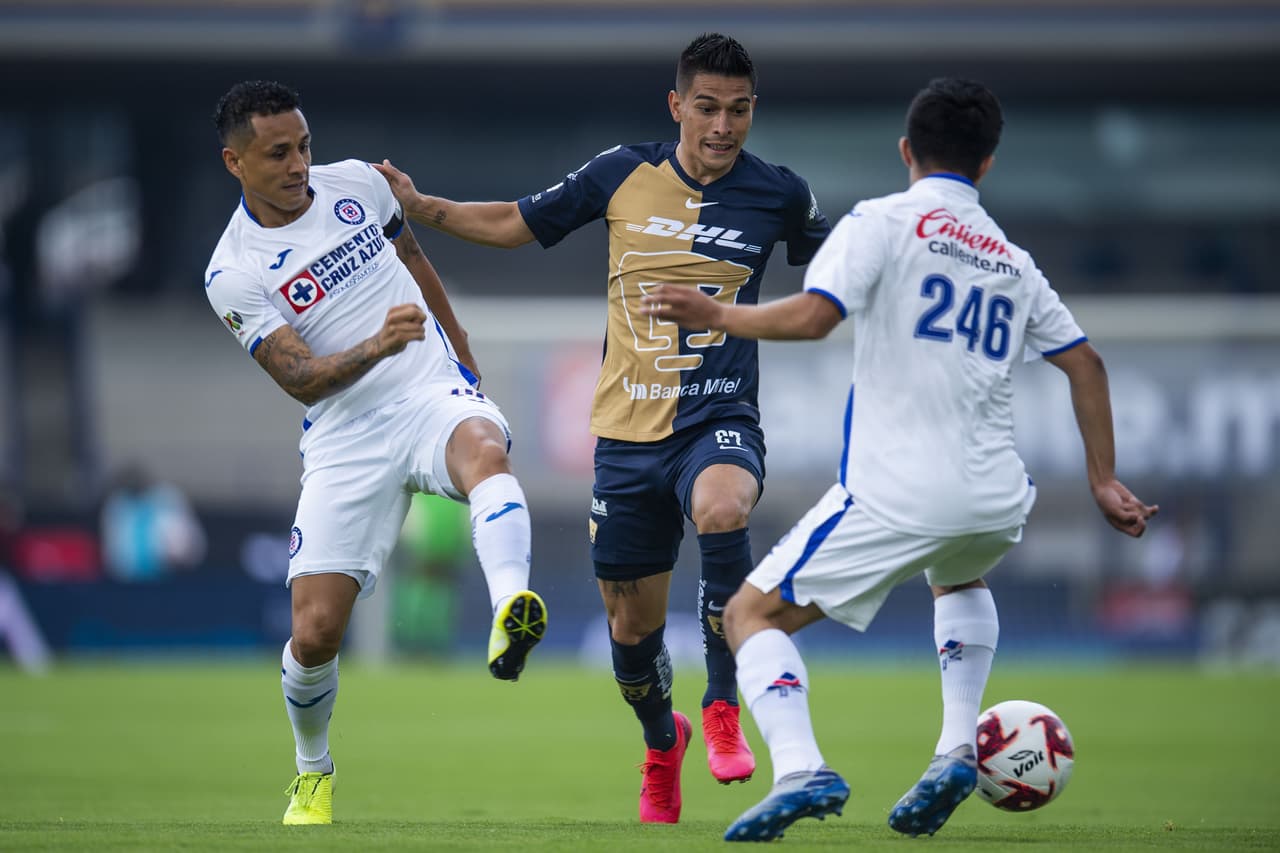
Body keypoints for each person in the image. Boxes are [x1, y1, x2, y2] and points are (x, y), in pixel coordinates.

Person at [643, 76, 1159, 842]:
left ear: (907, 152)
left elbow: (816, 317)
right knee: (958, 569)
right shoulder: (1012, 260)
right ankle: (956, 748)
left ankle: (800, 767)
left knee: (748, 613)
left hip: (898, 491)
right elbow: (1086, 364)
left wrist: (720, 311)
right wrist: (1104, 479)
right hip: (994, 495)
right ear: (987, 165)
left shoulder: (882, 221)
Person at [374, 32, 831, 823]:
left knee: (724, 508)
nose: (723, 127)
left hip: (719, 415)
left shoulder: (781, 194)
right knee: (630, 627)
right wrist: (421, 207)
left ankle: (724, 707)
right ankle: (665, 739)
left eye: (740, 111)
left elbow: (837, 270)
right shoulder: (623, 172)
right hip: (625, 438)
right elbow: (518, 222)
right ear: (677, 105)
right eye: (709, 109)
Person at [204, 80, 548, 826]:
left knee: (487, 450)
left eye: (305, 146)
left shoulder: (357, 183)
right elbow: (298, 377)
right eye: (279, 153)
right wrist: (375, 343)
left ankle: (509, 610)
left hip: (428, 393)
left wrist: (461, 354)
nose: (300, 165)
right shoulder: (233, 271)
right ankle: (312, 770)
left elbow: (415, 257)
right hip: (345, 434)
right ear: (235, 162)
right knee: (316, 631)